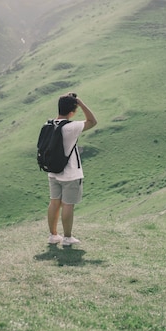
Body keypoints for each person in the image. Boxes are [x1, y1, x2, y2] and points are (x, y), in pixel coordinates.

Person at [47, 92, 97, 246]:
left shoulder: (48, 124)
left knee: (54, 202)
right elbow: (92, 121)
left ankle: (53, 236)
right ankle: (67, 238)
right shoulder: (72, 127)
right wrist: (80, 103)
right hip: (70, 174)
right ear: (72, 111)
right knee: (68, 204)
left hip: (53, 171)